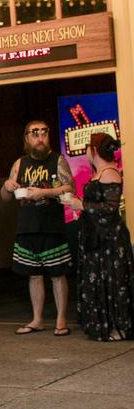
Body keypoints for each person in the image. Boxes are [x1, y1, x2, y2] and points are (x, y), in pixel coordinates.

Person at [0, 120, 74, 335]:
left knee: (57, 274)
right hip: (27, 227)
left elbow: (70, 186)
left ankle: (61, 320)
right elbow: (5, 197)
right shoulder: (19, 164)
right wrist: (6, 186)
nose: (40, 137)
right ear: (27, 138)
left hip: (52, 227)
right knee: (33, 275)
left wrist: (44, 193)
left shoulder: (57, 160)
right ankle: (37, 319)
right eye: (35, 133)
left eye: (44, 132)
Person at [66, 133, 133, 341]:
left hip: (109, 240)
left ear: (94, 150)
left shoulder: (110, 173)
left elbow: (110, 208)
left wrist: (82, 205)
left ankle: (117, 327)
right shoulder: (100, 172)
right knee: (99, 278)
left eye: (88, 147)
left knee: (112, 280)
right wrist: (78, 204)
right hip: (95, 236)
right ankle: (103, 324)